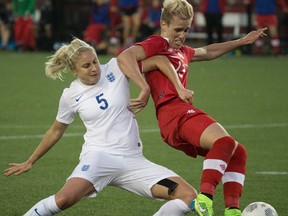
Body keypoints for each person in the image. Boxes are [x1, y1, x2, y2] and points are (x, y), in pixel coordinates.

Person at [4, 37, 201, 216]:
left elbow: (159, 61)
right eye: (86, 66)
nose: (94, 68)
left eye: (95, 61)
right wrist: (31, 161)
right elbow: (56, 130)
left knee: (189, 196)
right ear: (74, 71)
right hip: (99, 157)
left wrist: (175, 87)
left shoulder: (117, 67)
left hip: (133, 161)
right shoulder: (70, 95)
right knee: (64, 199)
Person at [117, 0, 267, 215]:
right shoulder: (158, 43)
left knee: (237, 152)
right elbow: (125, 56)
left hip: (179, 115)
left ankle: (232, 210)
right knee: (224, 142)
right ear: (163, 25)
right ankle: (204, 200)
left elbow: (208, 51)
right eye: (177, 29)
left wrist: (243, 40)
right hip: (174, 113)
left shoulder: (182, 51)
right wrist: (144, 88)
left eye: (186, 29)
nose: (182, 35)